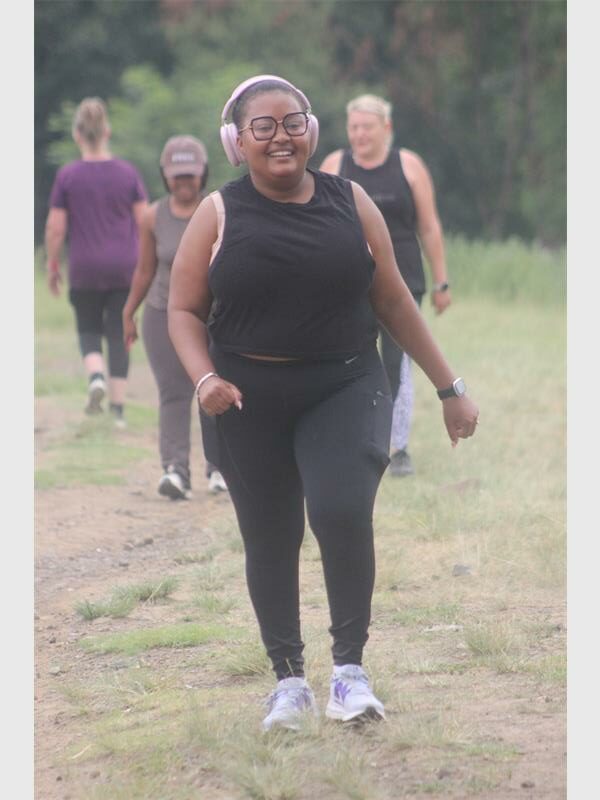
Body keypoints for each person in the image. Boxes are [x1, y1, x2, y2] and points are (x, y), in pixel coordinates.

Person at [167, 75, 478, 732]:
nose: (281, 136)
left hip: (344, 382)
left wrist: (449, 388)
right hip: (245, 397)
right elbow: (184, 309)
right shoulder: (219, 212)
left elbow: (394, 299)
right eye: (264, 126)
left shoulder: (351, 200)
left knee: (339, 509)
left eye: (293, 121)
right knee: (271, 535)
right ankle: (287, 681)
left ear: (311, 130)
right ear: (237, 141)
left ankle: (349, 673)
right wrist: (204, 380)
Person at [320, 94, 451, 478]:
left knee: (397, 363)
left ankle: (398, 448)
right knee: (350, 359)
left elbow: (428, 225)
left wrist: (442, 279)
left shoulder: (408, 166)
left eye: (367, 127)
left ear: (386, 129)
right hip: (349, 280)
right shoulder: (334, 165)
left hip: (403, 282)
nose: (359, 135)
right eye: (353, 127)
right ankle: (353, 438)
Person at [122, 135, 228, 499]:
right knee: (174, 393)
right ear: (165, 176)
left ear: (203, 174)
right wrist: (128, 311)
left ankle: (220, 468)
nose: (184, 182)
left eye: (190, 175)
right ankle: (175, 471)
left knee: (213, 387)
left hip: (211, 315)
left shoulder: (217, 210)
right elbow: (144, 270)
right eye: (177, 176)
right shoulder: (153, 215)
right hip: (162, 314)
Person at [44, 97, 148, 428]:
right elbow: (145, 222)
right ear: (107, 131)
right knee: (120, 334)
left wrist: (52, 266)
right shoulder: (127, 173)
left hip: (85, 268)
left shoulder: (68, 176)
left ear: (77, 135)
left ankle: (96, 377)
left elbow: (55, 228)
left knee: (88, 329)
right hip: (124, 267)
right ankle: (117, 411)